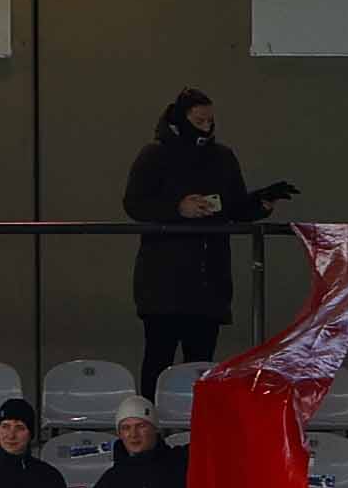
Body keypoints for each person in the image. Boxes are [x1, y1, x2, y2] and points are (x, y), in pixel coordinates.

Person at [120, 89, 285, 380]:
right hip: (163, 282)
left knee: (200, 365)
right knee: (159, 359)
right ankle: (153, 421)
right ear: (182, 119)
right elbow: (134, 203)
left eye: (211, 121)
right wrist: (177, 208)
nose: (207, 127)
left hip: (209, 281)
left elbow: (234, 206)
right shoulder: (155, 154)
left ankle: (193, 424)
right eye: (200, 121)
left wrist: (260, 203)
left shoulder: (222, 156)